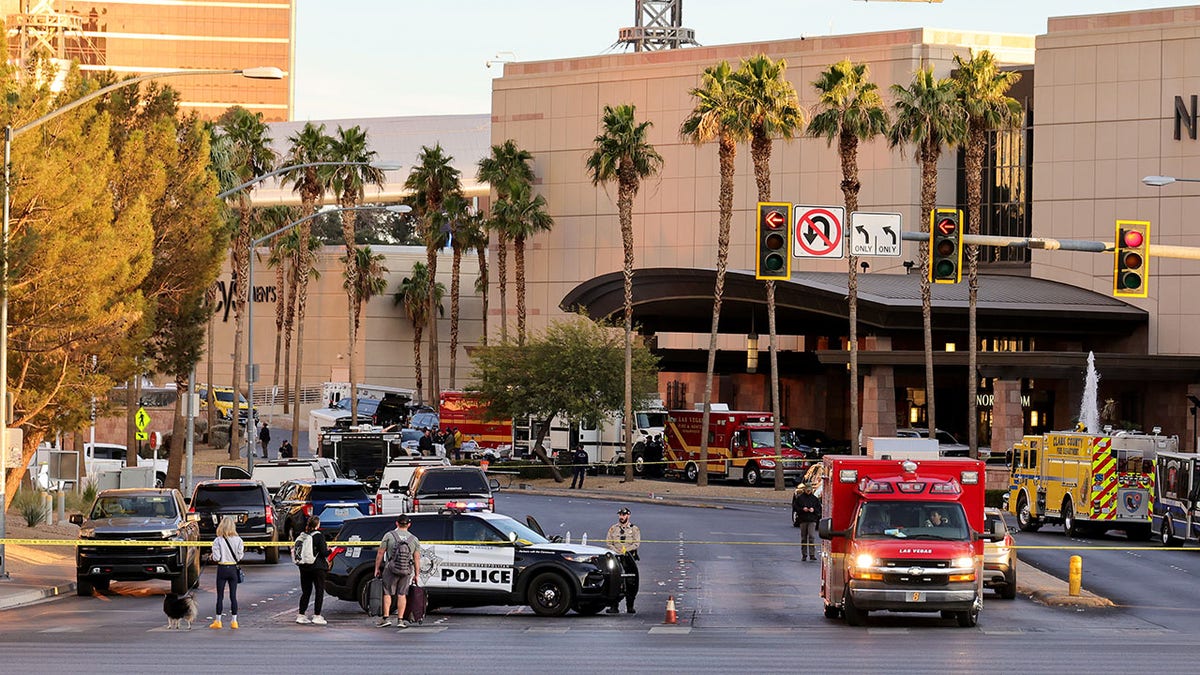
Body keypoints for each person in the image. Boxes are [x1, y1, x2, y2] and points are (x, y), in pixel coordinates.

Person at [374, 513, 421, 629]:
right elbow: (417, 558)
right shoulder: (414, 539)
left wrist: (377, 568)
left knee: (387, 593)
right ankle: (400, 620)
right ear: (409, 524)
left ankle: (386, 618)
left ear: (397, 523)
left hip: (390, 568)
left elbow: (380, 553)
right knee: (402, 594)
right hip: (406, 570)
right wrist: (417, 574)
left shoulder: (389, 536)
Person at [210, 515, 244, 629]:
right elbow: (239, 556)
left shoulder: (218, 540)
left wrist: (212, 556)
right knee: (233, 596)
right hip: (233, 569)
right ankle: (234, 621)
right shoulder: (238, 540)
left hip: (222, 568)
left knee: (220, 596)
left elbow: (217, 557)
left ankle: (218, 621)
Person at [605, 507, 641, 614]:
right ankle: (614, 606)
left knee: (631, 582)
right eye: (620, 515)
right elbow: (609, 543)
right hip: (616, 557)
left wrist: (626, 551)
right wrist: (616, 551)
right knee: (614, 580)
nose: (621, 517)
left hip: (628, 558)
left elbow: (636, 543)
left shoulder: (634, 529)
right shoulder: (613, 529)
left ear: (628, 515)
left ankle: (630, 605)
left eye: (623, 515)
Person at [295, 515, 329, 625]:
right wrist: (331, 550)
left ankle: (301, 615)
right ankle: (317, 615)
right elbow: (323, 553)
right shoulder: (319, 536)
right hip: (317, 567)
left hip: (304, 567)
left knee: (306, 592)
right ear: (317, 524)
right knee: (319, 591)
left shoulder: (303, 535)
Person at [794, 482, 821, 561]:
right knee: (804, 538)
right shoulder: (800, 498)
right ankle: (804, 554)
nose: (808, 491)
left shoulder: (814, 499)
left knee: (811, 536)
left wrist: (814, 510)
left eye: (809, 490)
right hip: (803, 520)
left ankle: (812, 554)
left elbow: (819, 509)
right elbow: (795, 508)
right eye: (807, 490)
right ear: (804, 490)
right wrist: (802, 509)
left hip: (812, 520)